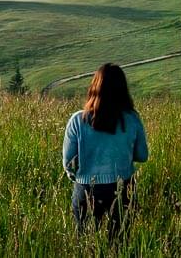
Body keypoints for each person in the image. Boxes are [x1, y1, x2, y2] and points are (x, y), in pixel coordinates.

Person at [62, 63, 148, 239]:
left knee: (86, 244)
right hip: (123, 187)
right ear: (123, 90)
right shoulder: (132, 119)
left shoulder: (78, 120)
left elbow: (68, 164)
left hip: (86, 189)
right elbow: (142, 156)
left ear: (94, 87)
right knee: (119, 244)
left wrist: (79, 176)